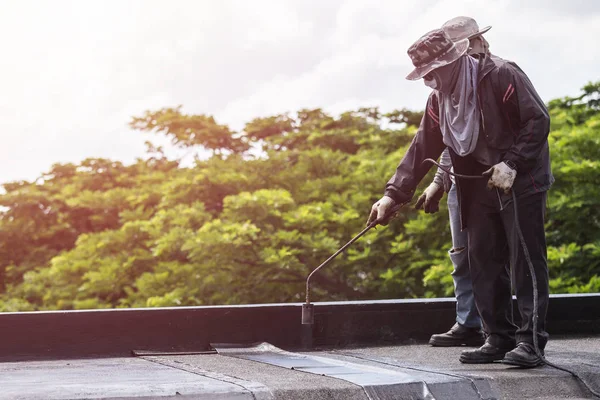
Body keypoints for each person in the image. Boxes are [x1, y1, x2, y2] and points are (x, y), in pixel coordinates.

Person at [367, 28, 553, 367]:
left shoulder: (501, 74)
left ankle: (531, 342)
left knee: (525, 260)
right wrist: (392, 196)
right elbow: (423, 145)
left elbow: (537, 120)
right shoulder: (439, 97)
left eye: (432, 72)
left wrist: (512, 162)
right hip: (478, 180)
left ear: (452, 60)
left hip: (521, 176)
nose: (428, 81)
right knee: (481, 257)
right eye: (424, 75)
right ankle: (498, 337)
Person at [417, 17, 494, 347]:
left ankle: (499, 329)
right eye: (476, 41)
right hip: (459, 181)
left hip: (493, 181)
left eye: (479, 40)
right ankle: (468, 321)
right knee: (461, 254)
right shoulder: (443, 91)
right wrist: (438, 181)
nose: (483, 46)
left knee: (493, 255)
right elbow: (452, 140)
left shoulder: (493, 79)